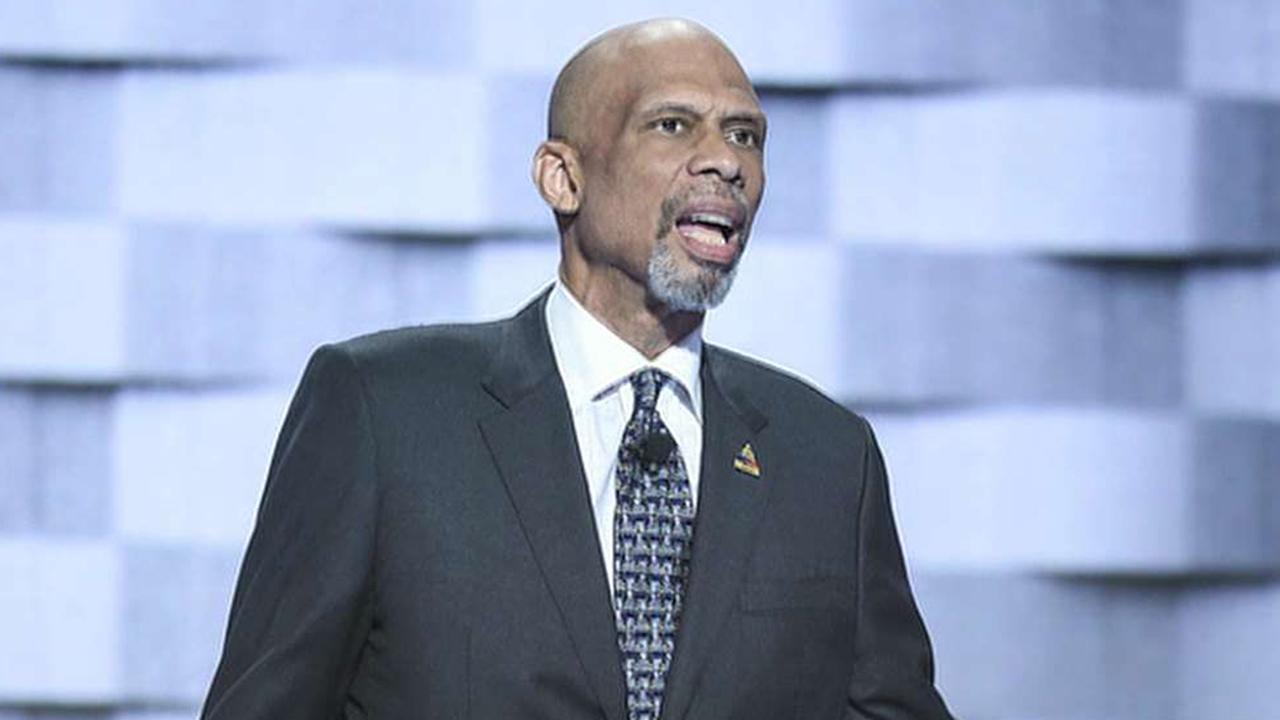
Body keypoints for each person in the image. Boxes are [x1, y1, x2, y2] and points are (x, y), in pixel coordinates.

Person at [201, 18, 954, 720]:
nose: (726, 161)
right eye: (672, 125)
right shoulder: (384, 412)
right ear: (562, 177)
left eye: (745, 136)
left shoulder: (827, 456)